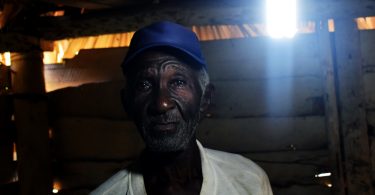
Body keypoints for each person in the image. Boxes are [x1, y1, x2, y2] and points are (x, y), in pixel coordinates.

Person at [90, 21, 273, 195]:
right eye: (144, 85)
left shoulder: (250, 182)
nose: (161, 104)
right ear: (127, 104)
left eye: (178, 82)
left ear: (205, 99)